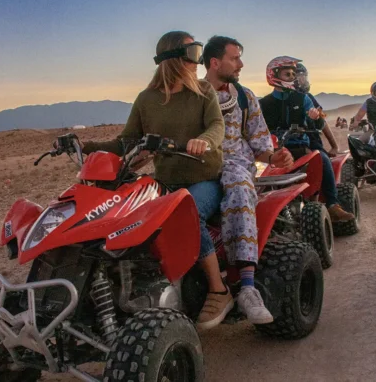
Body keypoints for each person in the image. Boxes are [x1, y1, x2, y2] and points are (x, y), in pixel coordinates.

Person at [81, 31, 232, 330]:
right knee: (125, 220)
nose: (197, 60)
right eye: (193, 52)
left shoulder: (203, 91)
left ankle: (219, 290)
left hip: (204, 178)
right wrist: (87, 146)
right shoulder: (146, 99)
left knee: (190, 214)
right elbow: (127, 141)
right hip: (165, 181)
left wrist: (204, 141)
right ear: (174, 58)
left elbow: (217, 125)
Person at [202, 36, 293, 324]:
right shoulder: (192, 95)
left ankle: (246, 286)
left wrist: (273, 157)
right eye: (235, 58)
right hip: (199, 169)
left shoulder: (244, 97)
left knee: (239, 190)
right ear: (215, 63)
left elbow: (259, 142)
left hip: (237, 167)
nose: (240, 64)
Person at [259, 56, 355, 223]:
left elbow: (319, 122)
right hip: (272, 151)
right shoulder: (263, 103)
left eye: (292, 74)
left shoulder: (303, 98)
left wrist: (315, 117)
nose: (291, 78)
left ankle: (333, 205)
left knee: (322, 158)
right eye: (287, 74)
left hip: (300, 148)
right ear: (274, 75)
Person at [296, 62, 340, 156]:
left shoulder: (307, 97)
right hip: (284, 145)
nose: (302, 79)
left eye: (304, 76)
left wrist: (334, 146)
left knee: (323, 162)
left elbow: (322, 121)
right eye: (298, 76)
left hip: (311, 144)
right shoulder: (276, 101)